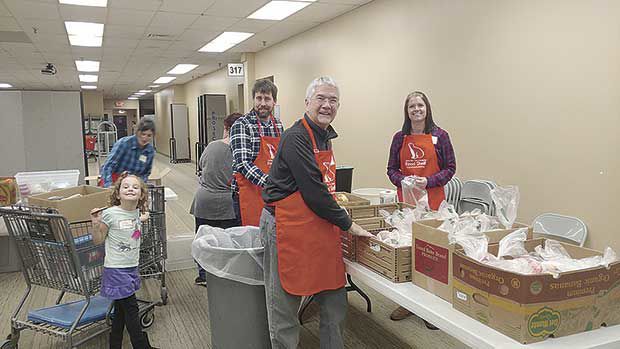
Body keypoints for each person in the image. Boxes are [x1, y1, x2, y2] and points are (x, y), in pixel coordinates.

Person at [260, 76, 372, 348]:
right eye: (321, 98)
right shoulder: (295, 137)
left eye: (333, 100)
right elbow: (313, 191)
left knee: (334, 302)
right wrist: (349, 224)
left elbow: (324, 189)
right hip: (285, 227)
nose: (327, 105)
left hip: (318, 226)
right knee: (284, 308)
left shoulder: (325, 137)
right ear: (307, 102)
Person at [386, 91, 456, 322]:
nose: (416, 109)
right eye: (412, 106)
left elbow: (450, 168)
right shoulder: (399, 138)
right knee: (408, 252)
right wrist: (402, 180)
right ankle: (407, 303)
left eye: (420, 105)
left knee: (433, 255)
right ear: (406, 111)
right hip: (408, 205)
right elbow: (391, 169)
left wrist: (429, 181)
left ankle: (432, 308)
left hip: (434, 203)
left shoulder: (440, 135)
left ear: (427, 108)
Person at [90, 174, 158, 349]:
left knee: (120, 312)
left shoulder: (135, 212)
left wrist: (142, 217)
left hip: (131, 267)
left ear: (141, 194)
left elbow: (134, 220)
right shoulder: (110, 214)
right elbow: (98, 240)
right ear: (118, 194)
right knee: (131, 309)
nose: (130, 189)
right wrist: (96, 224)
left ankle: (115, 345)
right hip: (116, 269)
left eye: (135, 187)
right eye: (125, 186)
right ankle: (141, 346)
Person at [190, 112, 243, 285]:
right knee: (228, 241)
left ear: (226, 128)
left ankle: (203, 275)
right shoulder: (242, 151)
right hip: (230, 203)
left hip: (205, 200)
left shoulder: (212, 146)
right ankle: (226, 275)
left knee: (204, 238)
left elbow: (201, 166)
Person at [230, 79, 284, 226]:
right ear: (253, 99)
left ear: (274, 101)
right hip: (248, 193)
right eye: (259, 98)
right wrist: (271, 183)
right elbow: (243, 163)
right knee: (250, 241)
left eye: (267, 99)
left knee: (270, 239)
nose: (262, 103)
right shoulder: (242, 125)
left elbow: (282, 160)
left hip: (272, 195)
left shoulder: (278, 125)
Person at [100, 117, 156, 187]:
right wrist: (108, 185)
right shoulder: (124, 143)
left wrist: (140, 185)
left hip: (133, 183)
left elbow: (146, 173)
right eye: (143, 134)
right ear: (137, 132)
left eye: (149, 135)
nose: (145, 138)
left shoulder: (150, 151)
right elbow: (108, 166)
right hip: (115, 181)